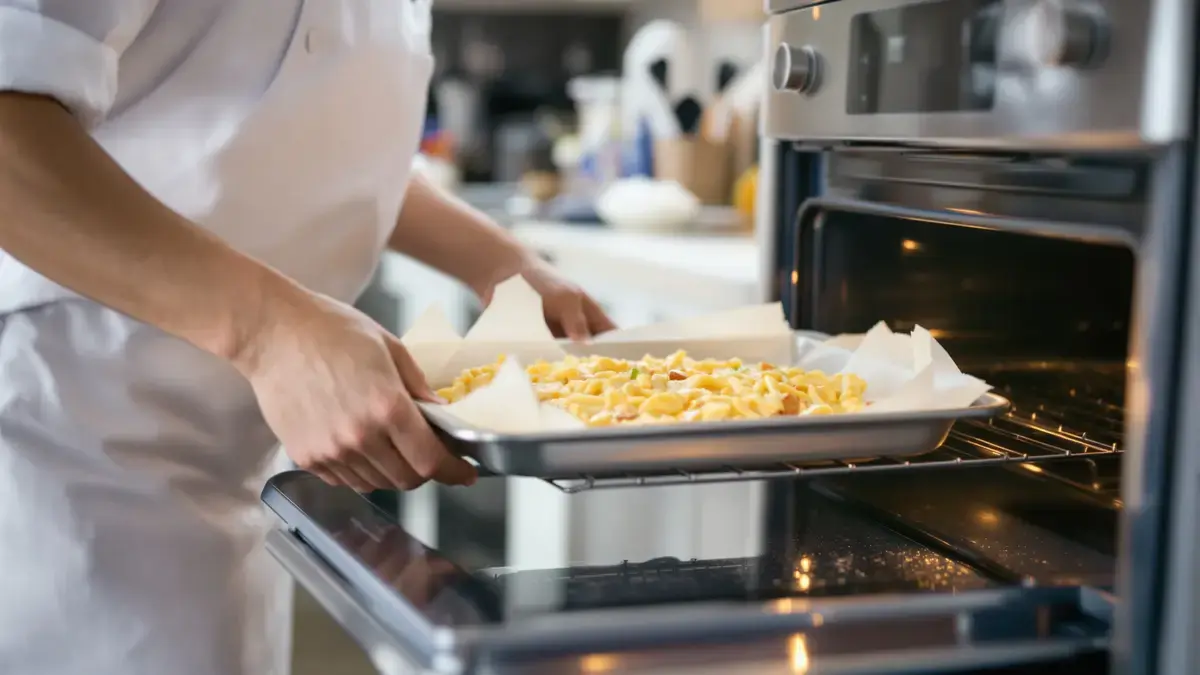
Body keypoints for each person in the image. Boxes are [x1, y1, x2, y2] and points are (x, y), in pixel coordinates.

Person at [0, 2, 614, 674]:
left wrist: (497, 259)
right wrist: (269, 331)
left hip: (232, 461)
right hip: (60, 456)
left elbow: (307, 140)